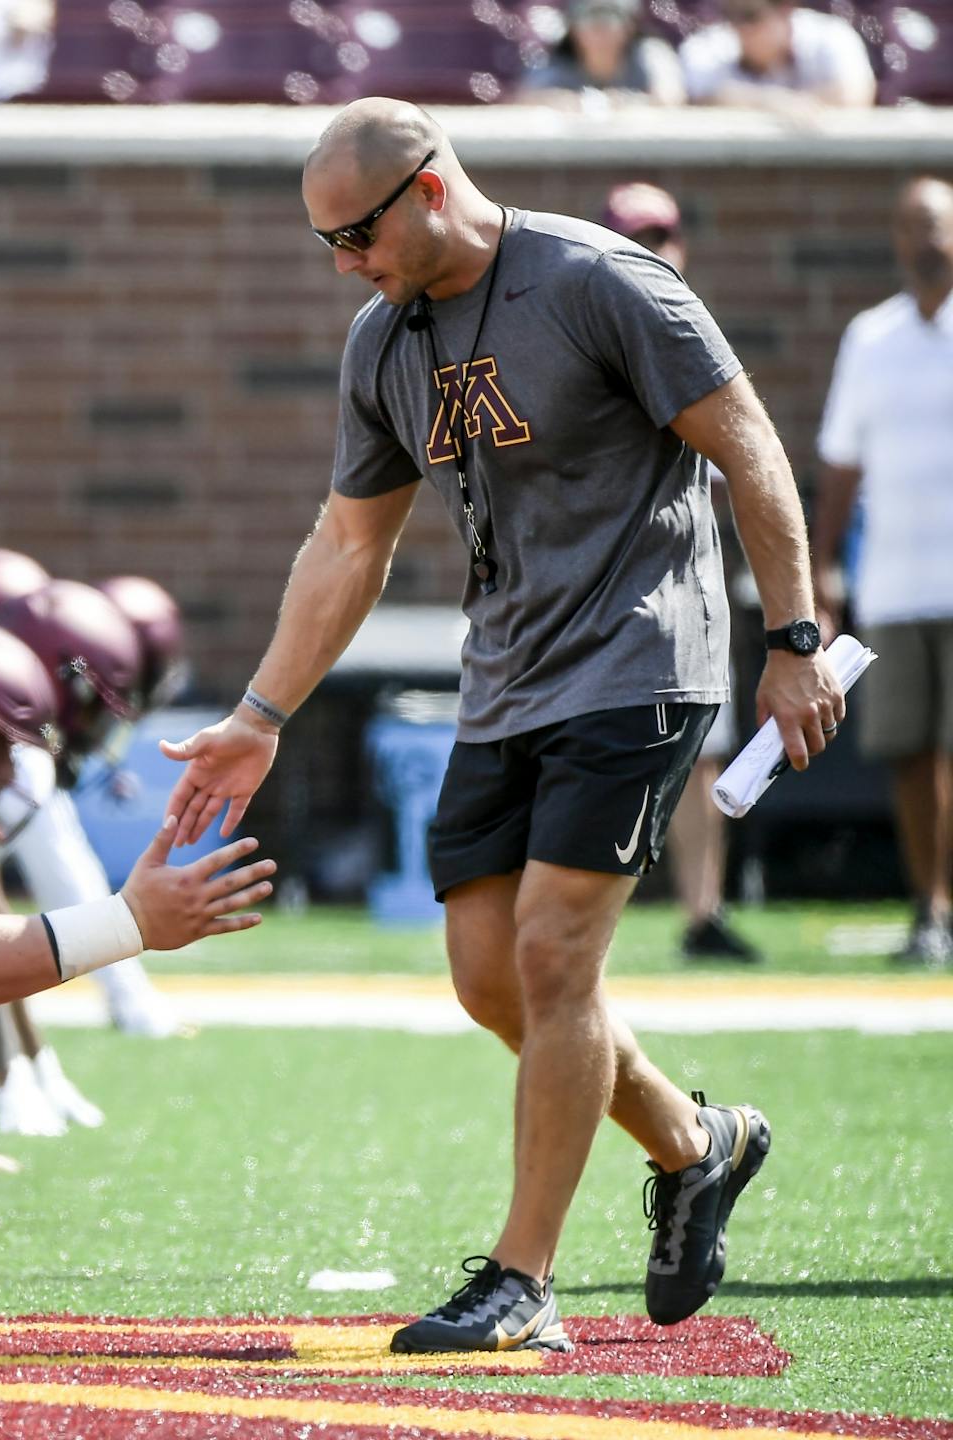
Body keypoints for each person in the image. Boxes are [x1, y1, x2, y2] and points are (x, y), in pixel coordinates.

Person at [162, 99, 841, 1353]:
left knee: (552, 953)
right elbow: (348, 543)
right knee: (489, 977)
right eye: (324, 244)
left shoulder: (601, 282)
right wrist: (259, 716)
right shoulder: (381, 342)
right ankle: (700, 1147)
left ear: (426, 189)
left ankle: (520, 1283)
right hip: (509, 682)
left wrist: (793, 642)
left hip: (644, 662)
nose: (341, 265)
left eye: (353, 235)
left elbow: (750, 449)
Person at [600, 183, 759, 964]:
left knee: (706, 752)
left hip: (692, 572)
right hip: (614, 580)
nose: (656, 249)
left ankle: (705, 910)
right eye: (638, 235)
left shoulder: (698, 331)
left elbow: (742, 457)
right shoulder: (596, 329)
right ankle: (598, 911)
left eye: (663, 234)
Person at [813, 177, 953, 968]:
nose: (926, 240)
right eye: (911, 226)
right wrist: (826, 567)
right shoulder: (870, 338)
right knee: (911, 752)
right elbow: (840, 464)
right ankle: (929, 907)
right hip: (896, 584)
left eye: (937, 224)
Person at [680, 0, 876, 112]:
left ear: (784, 10)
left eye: (750, 15)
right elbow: (698, 99)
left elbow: (855, 96)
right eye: (730, 14)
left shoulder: (831, 34)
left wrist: (748, 101)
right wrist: (770, 101)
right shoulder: (707, 45)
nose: (738, 26)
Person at [519, 0, 685, 110]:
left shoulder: (650, 53)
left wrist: (622, 102)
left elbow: (672, 98)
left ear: (630, 28)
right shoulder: (557, 60)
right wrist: (567, 102)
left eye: (610, 22)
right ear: (573, 30)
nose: (601, 35)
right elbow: (524, 100)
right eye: (590, 23)